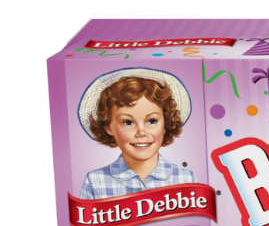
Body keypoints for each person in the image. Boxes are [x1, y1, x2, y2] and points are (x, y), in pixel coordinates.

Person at [79, 71, 196, 200]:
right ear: (108, 128)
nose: (141, 132)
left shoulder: (186, 179)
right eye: (128, 122)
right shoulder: (95, 181)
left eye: (152, 121)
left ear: (166, 124)